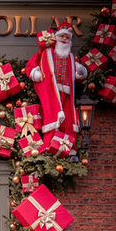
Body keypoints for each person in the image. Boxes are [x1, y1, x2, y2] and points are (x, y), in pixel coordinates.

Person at [25, 21, 88, 150]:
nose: (64, 39)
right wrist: (35, 73)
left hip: (68, 93)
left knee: (69, 120)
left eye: (67, 37)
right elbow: (31, 65)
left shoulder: (71, 57)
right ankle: (50, 146)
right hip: (51, 91)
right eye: (62, 36)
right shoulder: (46, 53)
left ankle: (68, 149)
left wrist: (81, 72)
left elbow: (78, 74)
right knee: (51, 117)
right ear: (56, 37)